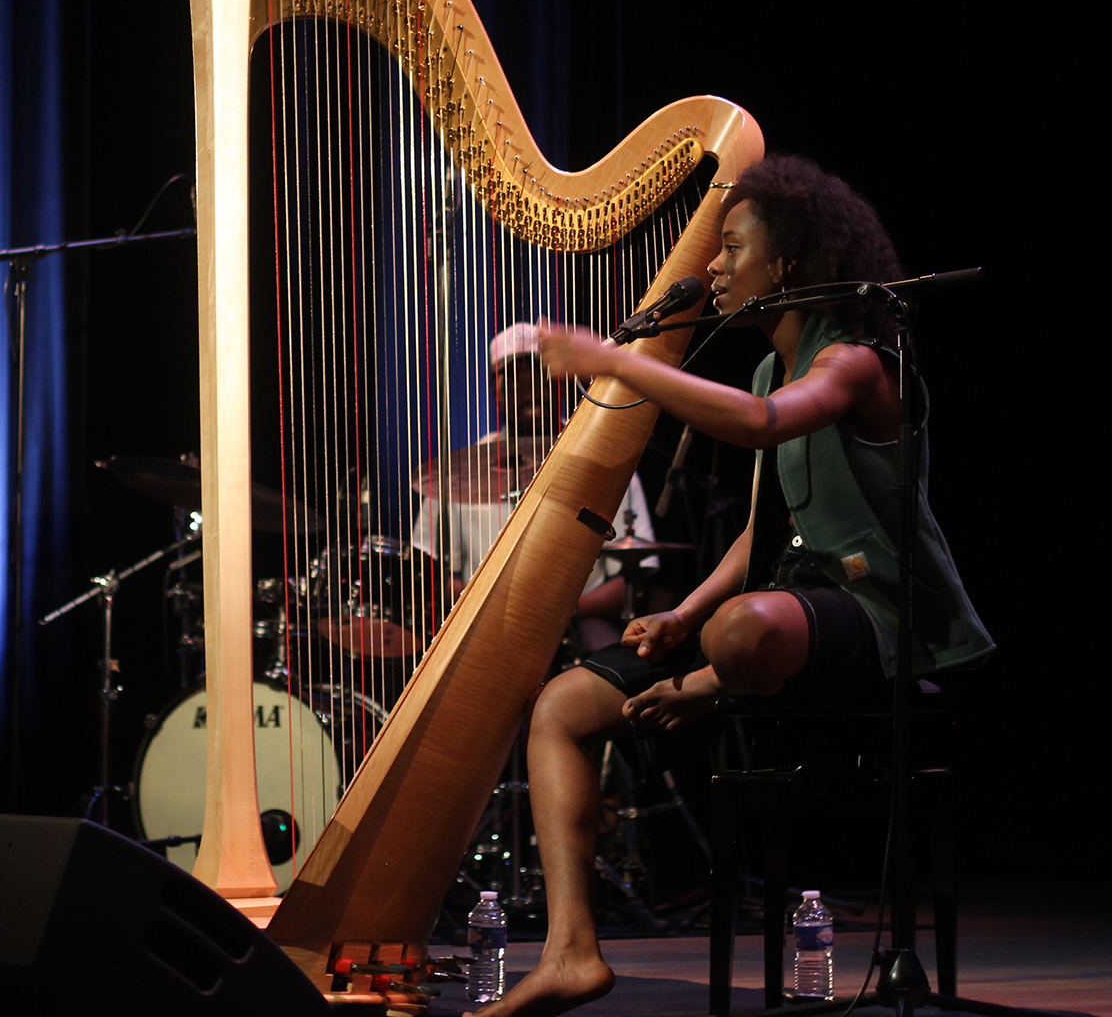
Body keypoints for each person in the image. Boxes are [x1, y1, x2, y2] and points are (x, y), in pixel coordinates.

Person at [465, 155, 994, 1017]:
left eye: (732, 248)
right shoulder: (761, 369)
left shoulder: (856, 363)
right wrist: (681, 611)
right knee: (561, 706)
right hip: (782, 613)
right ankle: (569, 951)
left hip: (880, 615)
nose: (711, 267)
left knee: (742, 634)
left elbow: (763, 429)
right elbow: (762, 522)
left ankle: (717, 679)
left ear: (785, 265)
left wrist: (616, 360)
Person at [412, 324, 657, 650]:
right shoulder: (458, 471)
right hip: (487, 630)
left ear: (561, 380)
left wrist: (559, 613)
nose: (529, 389)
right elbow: (435, 571)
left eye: (539, 375)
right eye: (514, 378)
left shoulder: (607, 462)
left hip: (583, 625)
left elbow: (630, 579)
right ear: (493, 389)